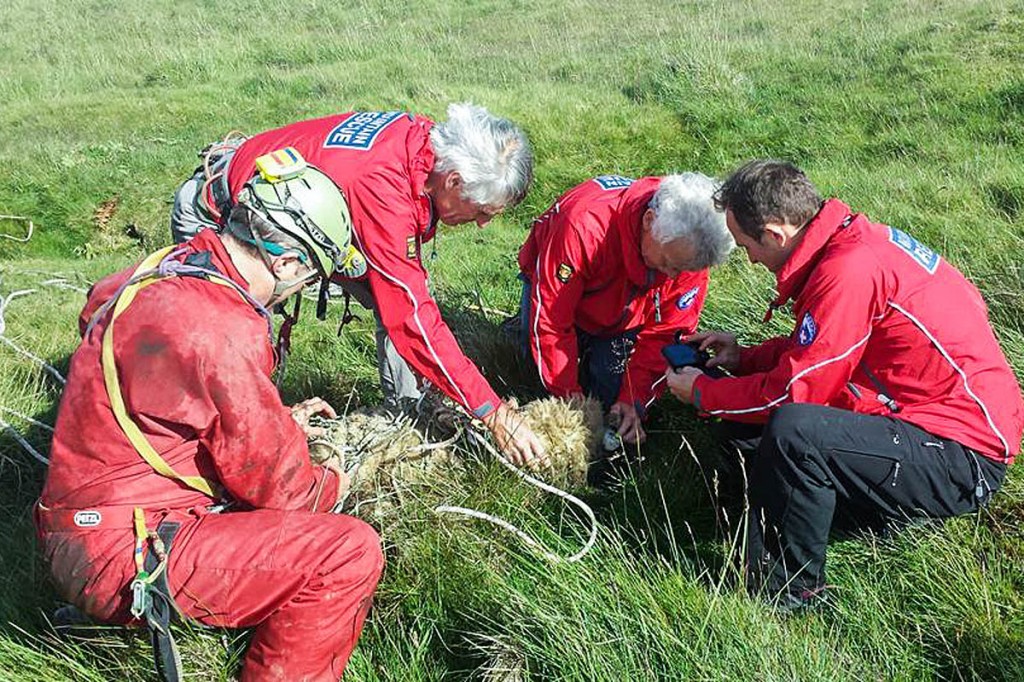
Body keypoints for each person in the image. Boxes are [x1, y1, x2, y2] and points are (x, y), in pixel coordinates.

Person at [37, 163, 384, 681]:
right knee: (347, 552)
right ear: (287, 262)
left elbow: (96, 311)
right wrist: (336, 479)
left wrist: (268, 415)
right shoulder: (221, 329)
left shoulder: (167, 266)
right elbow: (285, 490)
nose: (299, 291)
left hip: (72, 523)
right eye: (310, 278)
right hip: (119, 553)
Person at [664, 159, 1024, 609]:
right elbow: (820, 354)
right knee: (749, 431)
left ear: (776, 234)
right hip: (916, 418)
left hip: (963, 455)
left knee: (795, 433)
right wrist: (744, 359)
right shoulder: (845, 246)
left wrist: (704, 392)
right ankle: (796, 524)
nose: (750, 258)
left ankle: (790, 596)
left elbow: (794, 392)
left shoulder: (847, 271)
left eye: (746, 245)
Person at [171, 103, 546, 466]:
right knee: (224, 353)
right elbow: (411, 319)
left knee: (399, 301)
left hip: (286, 217)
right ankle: (224, 465)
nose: (482, 224)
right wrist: (492, 412)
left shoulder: (422, 145)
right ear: (453, 181)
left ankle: (411, 419)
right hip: (225, 223)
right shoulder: (384, 190)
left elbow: (404, 303)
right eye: (482, 212)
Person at [515, 173, 733, 444]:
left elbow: (667, 333)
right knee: (533, 368)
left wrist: (634, 400)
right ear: (649, 221)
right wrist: (566, 392)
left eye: (683, 269)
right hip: (560, 288)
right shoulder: (584, 226)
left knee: (609, 399)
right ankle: (524, 334)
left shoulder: (688, 254)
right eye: (668, 264)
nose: (674, 276)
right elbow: (551, 316)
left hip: (624, 314)